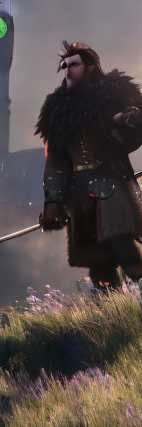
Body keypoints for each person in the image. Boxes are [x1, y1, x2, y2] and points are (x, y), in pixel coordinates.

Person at [36, 41, 142, 291]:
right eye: (64, 65)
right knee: (98, 263)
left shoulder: (114, 93)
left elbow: (134, 122)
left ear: (91, 67)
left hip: (111, 182)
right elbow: (56, 161)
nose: (68, 70)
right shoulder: (57, 109)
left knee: (122, 242)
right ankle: (113, 315)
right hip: (80, 193)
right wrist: (53, 202)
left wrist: (121, 119)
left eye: (74, 64)